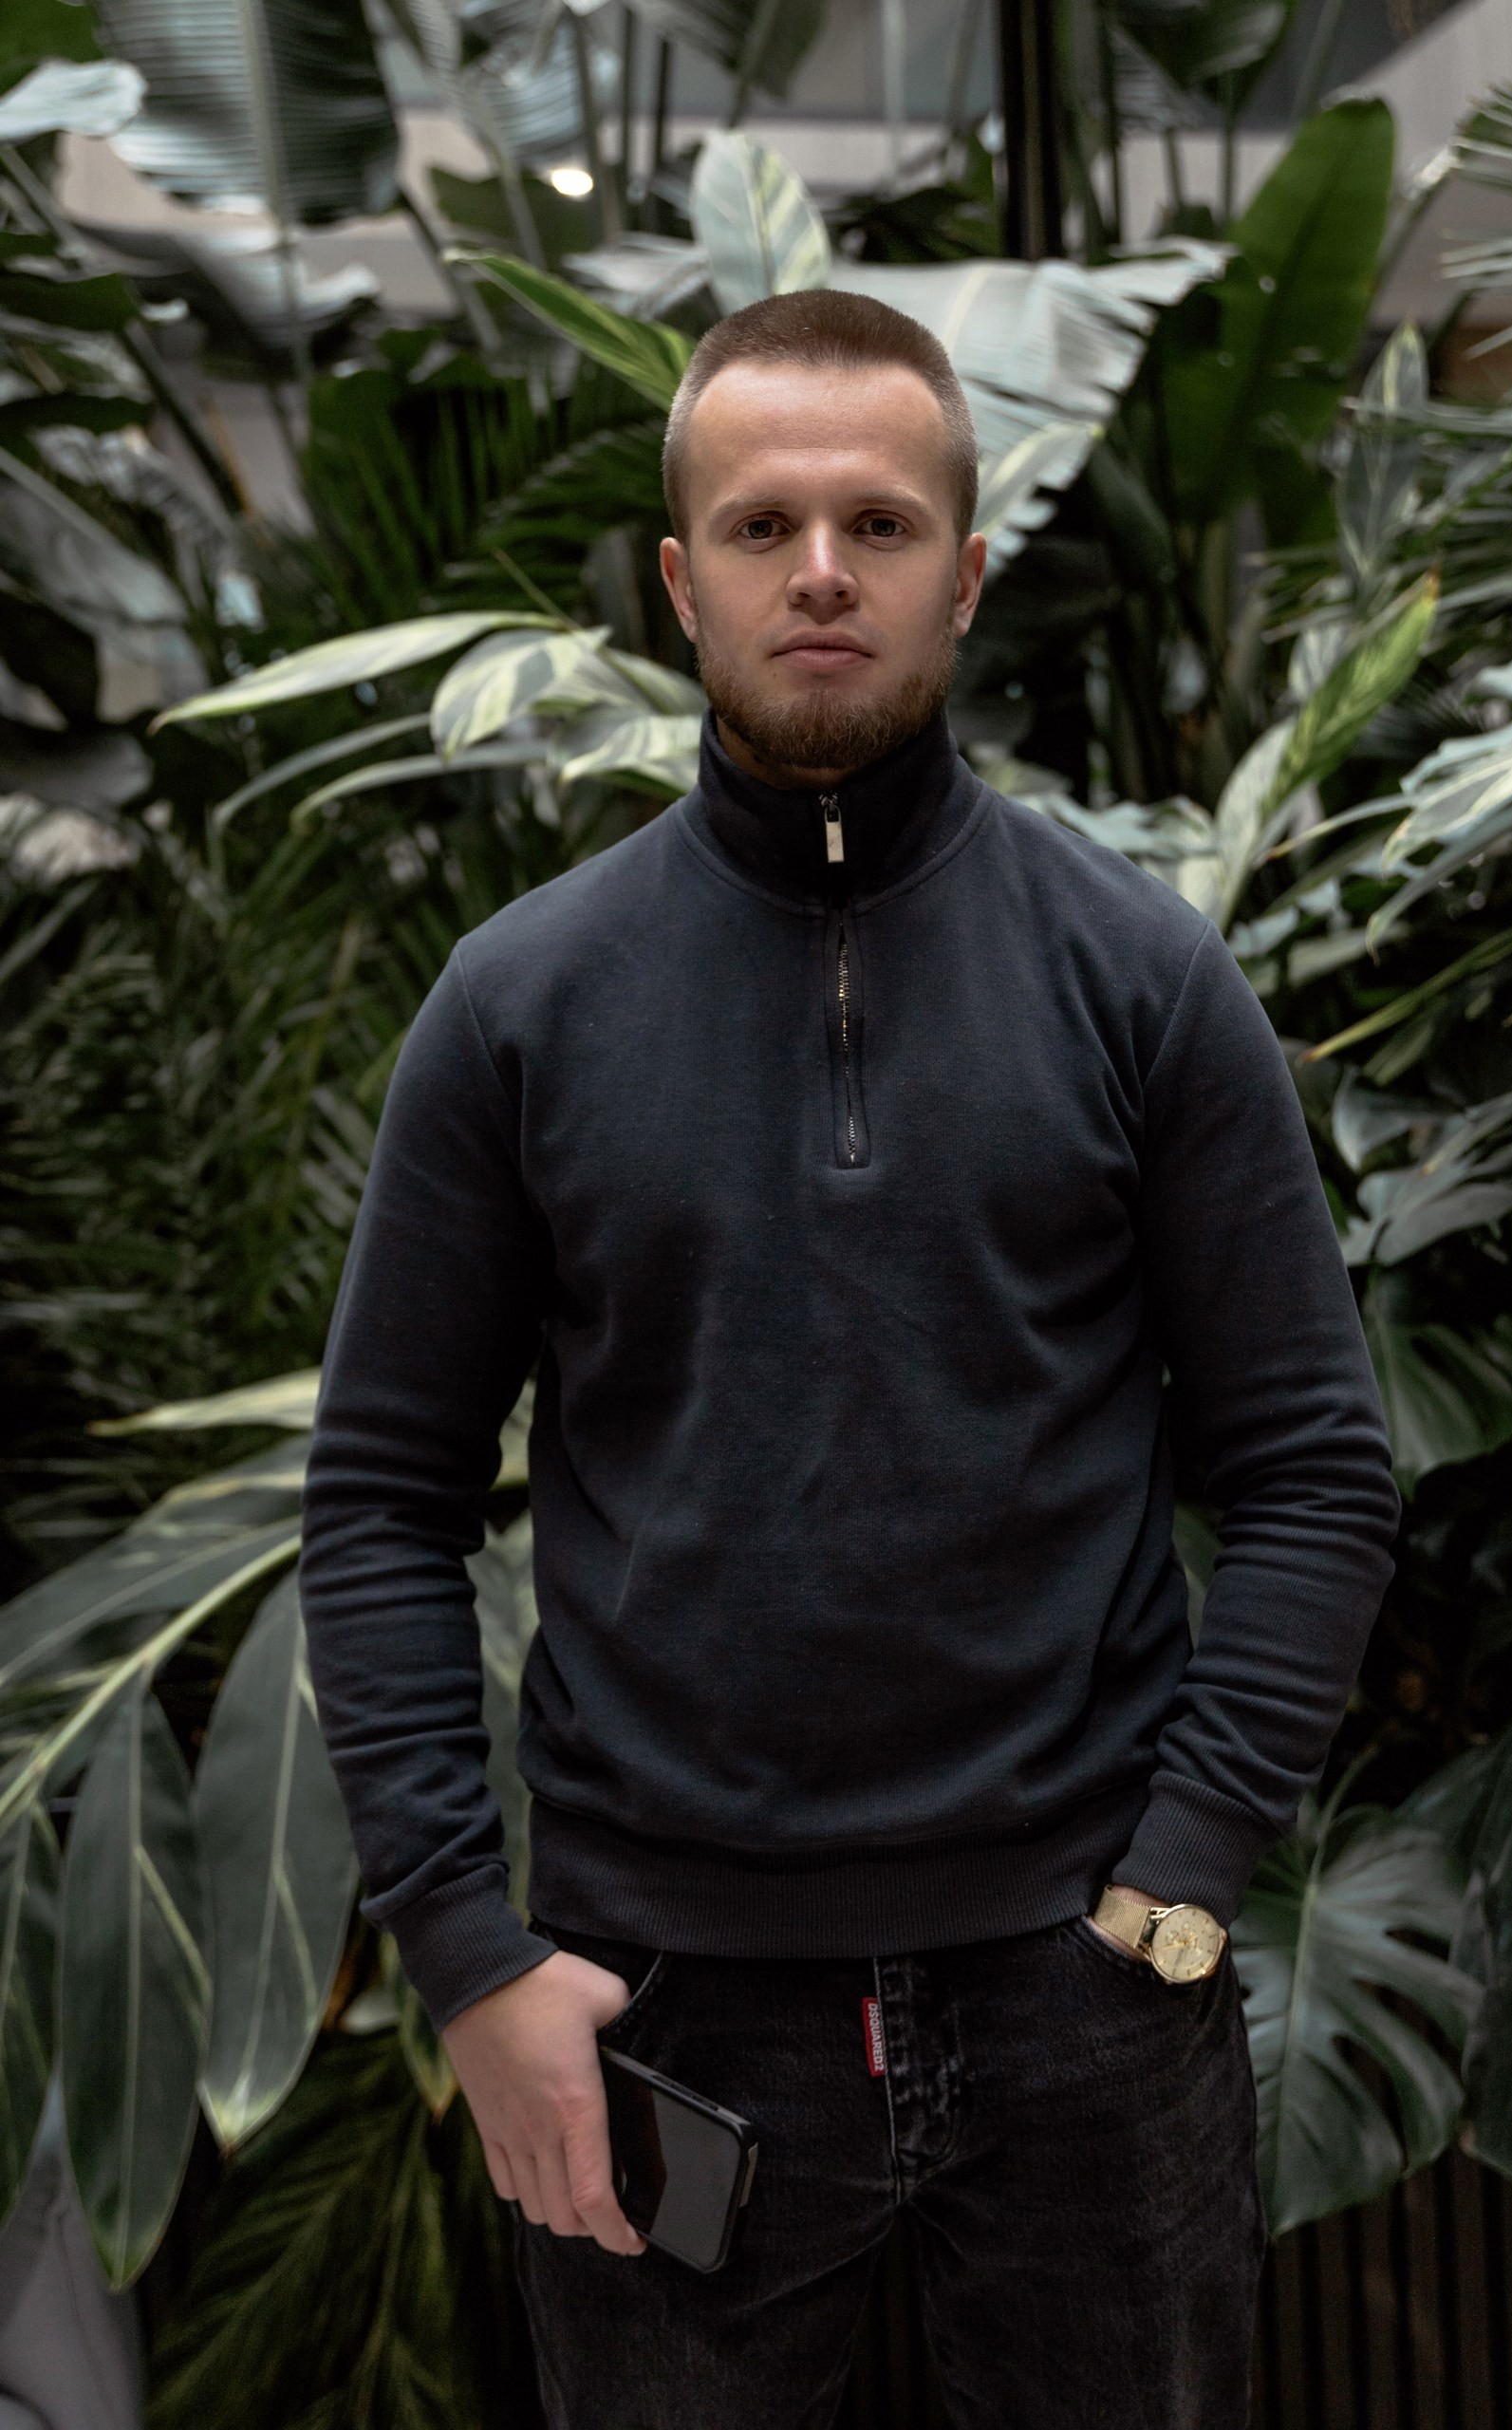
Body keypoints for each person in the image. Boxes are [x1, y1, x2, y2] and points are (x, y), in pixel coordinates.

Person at [300, 289, 1400, 2429]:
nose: (822, 568)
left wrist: (1177, 1883)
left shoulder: (1137, 976)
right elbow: (379, 1500)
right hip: (659, 2004)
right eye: (763, 520)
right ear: (675, 575)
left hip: (1086, 1989)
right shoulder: (518, 1002)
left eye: (879, 523)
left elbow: (1305, 1461)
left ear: (963, 577)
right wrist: (467, 1956)